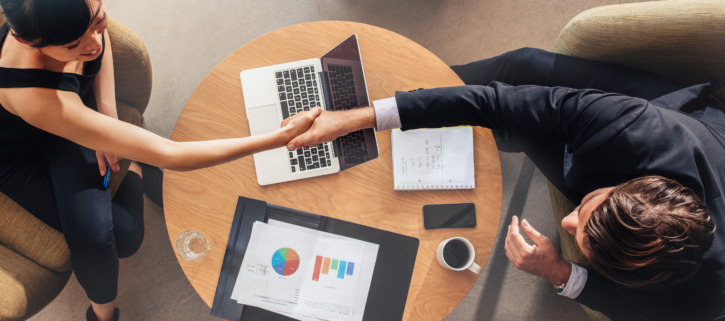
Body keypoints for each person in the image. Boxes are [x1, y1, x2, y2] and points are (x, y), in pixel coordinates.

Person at [284, 48, 725, 320]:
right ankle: (409, 87)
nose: (566, 221)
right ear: (627, 185)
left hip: (623, 167)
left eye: (583, 240)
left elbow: (626, 310)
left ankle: (437, 127)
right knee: (520, 67)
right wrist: (362, 117)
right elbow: (498, 101)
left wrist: (560, 271)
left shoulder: (695, 303)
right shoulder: (631, 124)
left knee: (518, 132)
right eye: (586, 211)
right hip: (675, 120)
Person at [0, 1, 319, 320]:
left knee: (123, 236)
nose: (94, 44)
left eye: (98, 21)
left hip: (72, 118)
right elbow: (171, 155)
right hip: (13, 152)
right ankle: (103, 314)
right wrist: (280, 137)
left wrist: (108, 118)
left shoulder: (72, 23)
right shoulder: (33, 95)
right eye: (73, 45)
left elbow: (97, 42)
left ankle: (133, 166)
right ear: (26, 41)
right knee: (115, 238)